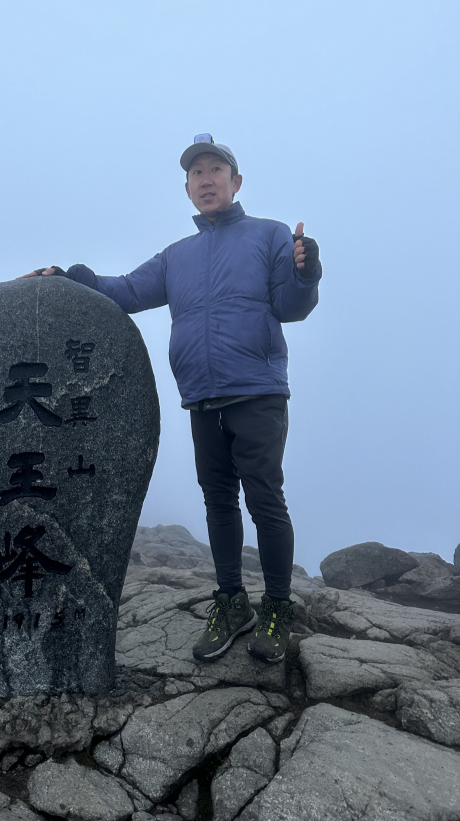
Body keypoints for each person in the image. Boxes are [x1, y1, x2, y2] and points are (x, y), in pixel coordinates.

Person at [21, 134, 322, 664]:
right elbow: (125, 291)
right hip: (201, 396)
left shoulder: (270, 234)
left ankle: (277, 607)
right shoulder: (176, 256)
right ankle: (232, 603)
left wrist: (305, 273)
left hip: (257, 390)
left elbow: (290, 307)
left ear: (236, 181)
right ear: (187, 188)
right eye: (196, 173)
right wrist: (68, 279)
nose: (206, 180)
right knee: (218, 501)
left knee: (265, 501)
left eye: (215, 170)